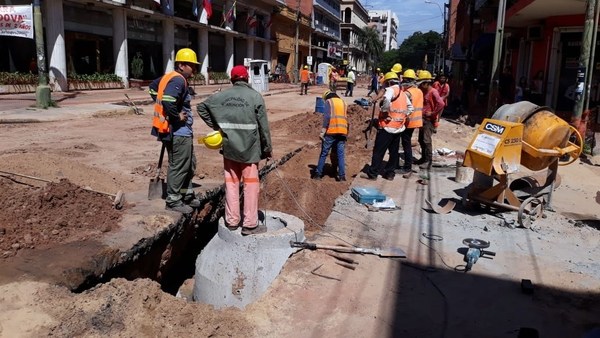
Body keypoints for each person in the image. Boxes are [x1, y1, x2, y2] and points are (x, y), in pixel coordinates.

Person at [196, 65, 273, 236]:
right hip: (250, 150)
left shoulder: (221, 96)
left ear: (232, 80)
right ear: (247, 78)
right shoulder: (255, 96)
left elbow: (201, 107)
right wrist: (267, 148)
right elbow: (264, 127)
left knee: (231, 184)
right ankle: (250, 224)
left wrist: (218, 126)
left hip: (230, 148)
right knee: (251, 186)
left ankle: (231, 222)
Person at [149, 48, 201, 214]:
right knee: (179, 165)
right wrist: (176, 116)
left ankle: (186, 195)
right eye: (192, 66)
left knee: (188, 164)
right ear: (181, 65)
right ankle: (173, 200)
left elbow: (152, 88)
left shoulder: (169, 77)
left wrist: (168, 114)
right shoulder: (178, 80)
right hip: (179, 132)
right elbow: (168, 100)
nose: (194, 70)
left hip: (171, 130)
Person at [360, 72, 413, 181]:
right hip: (398, 128)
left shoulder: (390, 90)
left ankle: (373, 173)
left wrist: (384, 111)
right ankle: (390, 174)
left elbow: (387, 100)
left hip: (387, 127)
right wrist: (403, 116)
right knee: (393, 152)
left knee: (378, 151)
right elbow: (410, 107)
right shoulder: (402, 93)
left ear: (388, 82)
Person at [311, 90, 348, 182]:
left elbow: (327, 117)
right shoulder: (343, 102)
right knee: (340, 155)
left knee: (324, 153)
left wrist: (323, 131)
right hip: (343, 131)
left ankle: (318, 174)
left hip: (332, 131)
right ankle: (342, 176)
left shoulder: (329, 102)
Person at [415, 70, 445, 169]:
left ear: (426, 83)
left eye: (421, 84)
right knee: (421, 139)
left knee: (426, 140)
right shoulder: (423, 91)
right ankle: (423, 158)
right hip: (422, 119)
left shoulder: (433, 91)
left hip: (429, 120)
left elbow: (441, 103)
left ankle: (428, 161)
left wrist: (433, 113)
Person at [397, 69, 423, 178]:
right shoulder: (419, 91)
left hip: (408, 122)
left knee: (406, 144)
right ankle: (407, 165)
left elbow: (405, 108)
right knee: (406, 143)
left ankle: (407, 167)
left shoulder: (407, 93)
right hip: (416, 121)